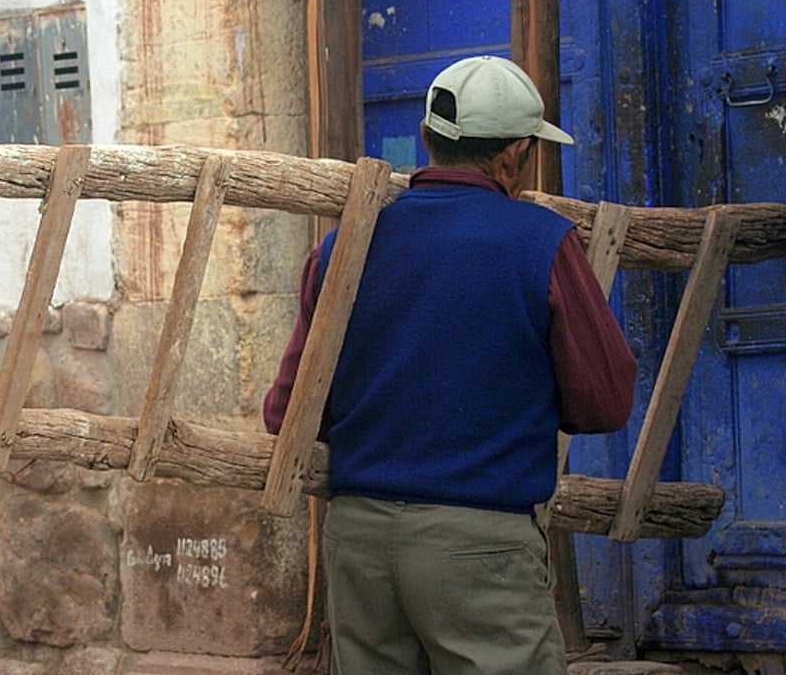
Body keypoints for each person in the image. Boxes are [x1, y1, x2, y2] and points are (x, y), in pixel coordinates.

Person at [263, 56, 637, 675]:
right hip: (480, 545)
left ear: (429, 138)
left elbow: (287, 412)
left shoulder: (344, 245)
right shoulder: (542, 241)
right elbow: (603, 403)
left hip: (359, 540)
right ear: (514, 155)